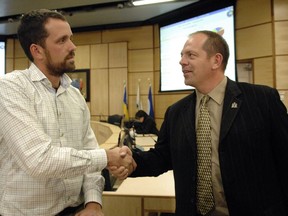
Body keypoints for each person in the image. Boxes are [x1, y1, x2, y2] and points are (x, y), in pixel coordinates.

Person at [111, 30, 288, 215]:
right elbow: (162, 157)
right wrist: (130, 162)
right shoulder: (176, 112)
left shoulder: (262, 100)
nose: (182, 61)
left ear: (216, 61)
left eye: (191, 55)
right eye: (181, 55)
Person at [0, 9, 134, 216]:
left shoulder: (75, 96)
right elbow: (39, 160)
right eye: (62, 40)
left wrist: (93, 203)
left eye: (70, 38)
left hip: (77, 210)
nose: (73, 46)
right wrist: (107, 157)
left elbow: (89, 154)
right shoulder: (11, 88)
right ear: (37, 51)